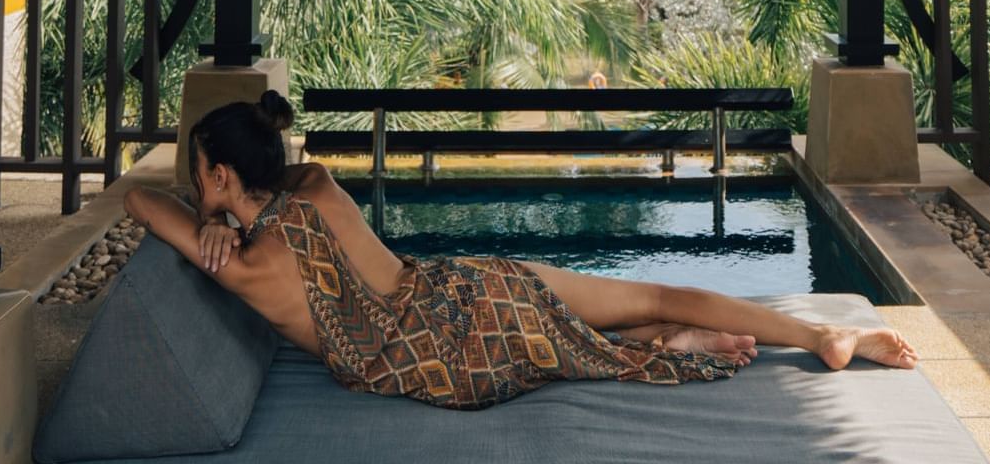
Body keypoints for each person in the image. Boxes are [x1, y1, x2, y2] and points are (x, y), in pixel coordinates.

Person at [123, 90, 917, 411]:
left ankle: (669, 345)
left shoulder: (239, 260)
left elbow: (136, 199)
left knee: (574, 346)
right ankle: (822, 336)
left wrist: (216, 221)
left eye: (199, 172)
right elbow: (270, 177)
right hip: (471, 287)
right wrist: (241, 199)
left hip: (443, 352)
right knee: (652, 295)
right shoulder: (318, 186)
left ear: (222, 174)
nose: (190, 186)